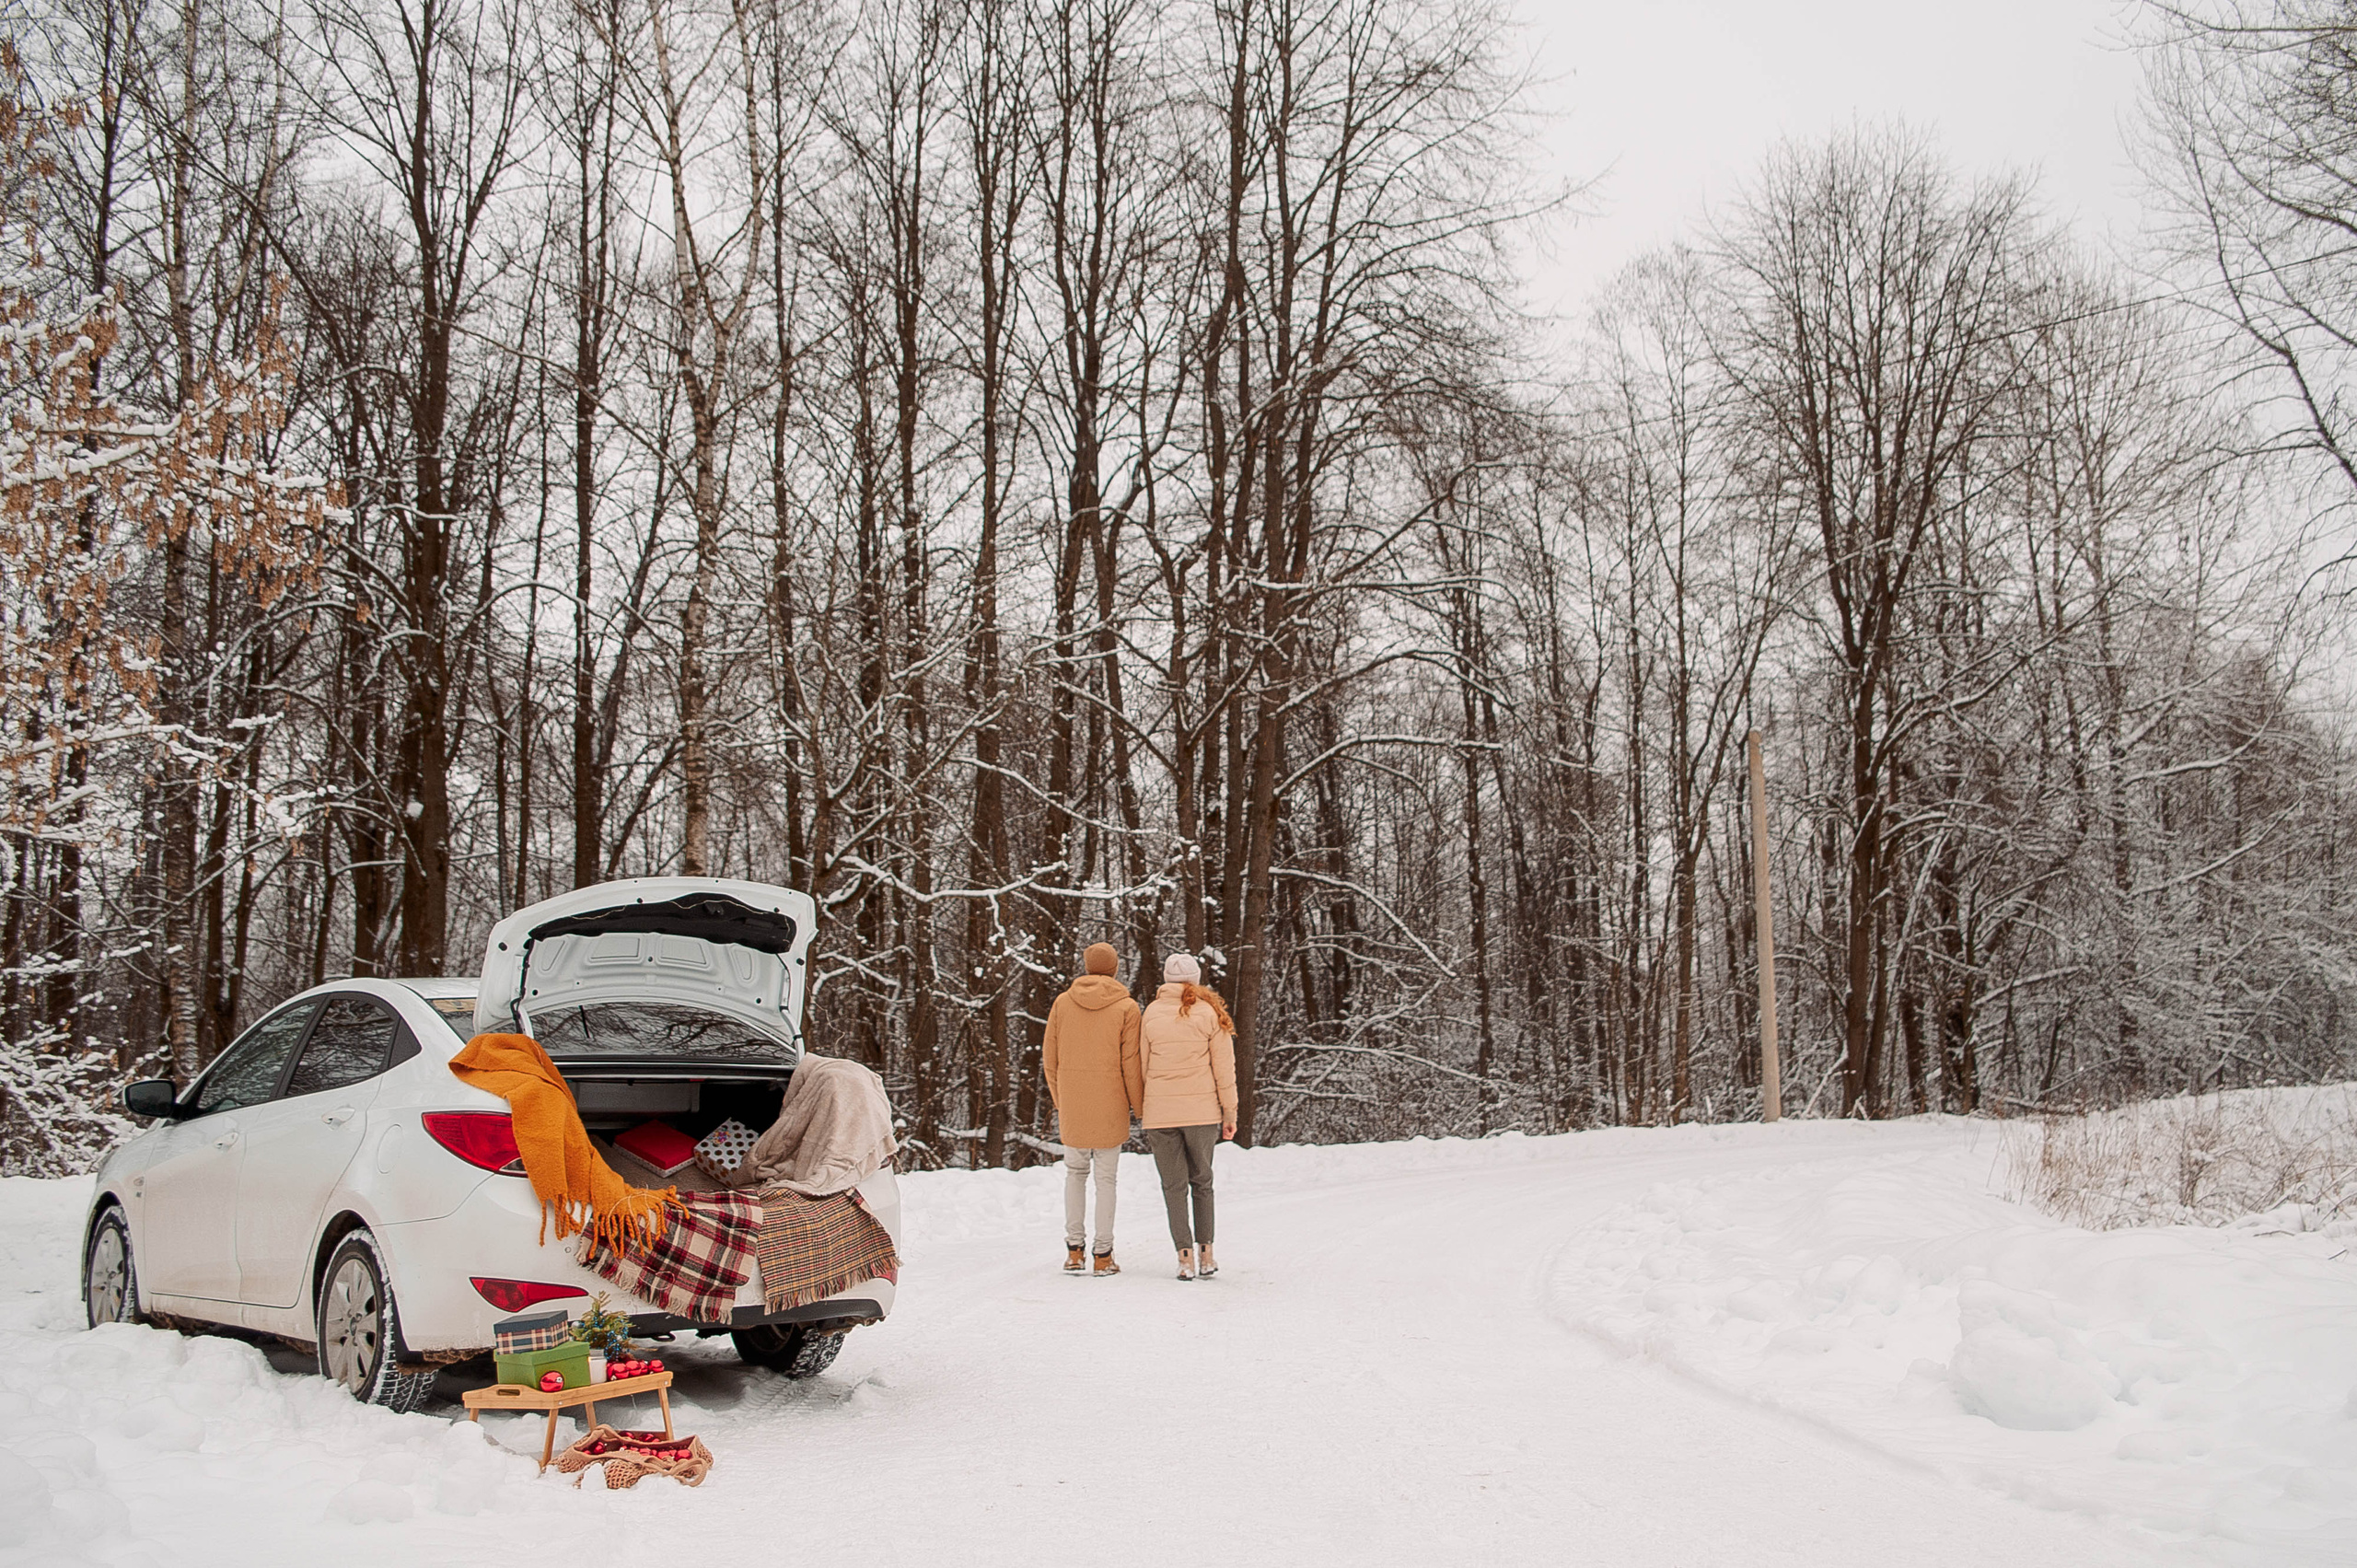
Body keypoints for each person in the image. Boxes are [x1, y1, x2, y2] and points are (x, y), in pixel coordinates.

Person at [1041, 942, 1144, 1276]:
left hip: (1072, 1101)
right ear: (1114, 968)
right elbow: (1131, 1063)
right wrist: (1139, 1106)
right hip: (1111, 1102)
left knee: (1074, 1175)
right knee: (1106, 1180)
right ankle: (1103, 1254)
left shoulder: (1062, 1003)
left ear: (1086, 966)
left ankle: (1074, 1252)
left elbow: (1050, 1060)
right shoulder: (1127, 1008)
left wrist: (1062, 1100)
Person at [1139, 951, 1237, 1280]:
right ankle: (1207, 1252)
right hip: (1202, 1112)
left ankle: (1184, 1257)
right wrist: (1229, 1111)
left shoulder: (1150, 1013)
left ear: (1166, 981)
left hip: (1160, 1114)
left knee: (1174, 1186)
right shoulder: (1209, 1013)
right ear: (1195, 980)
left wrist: (1145, 1109)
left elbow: (1142, 1066)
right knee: (1202, 1182)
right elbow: (1224, 1069)